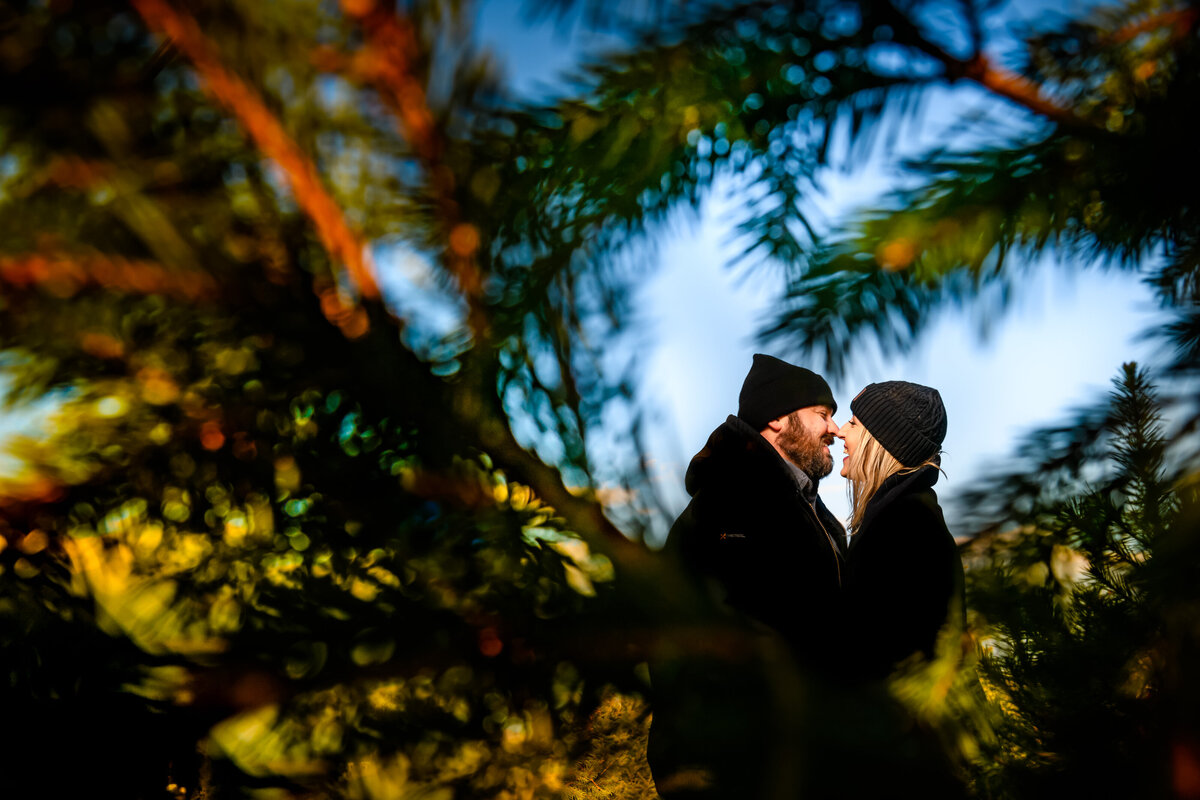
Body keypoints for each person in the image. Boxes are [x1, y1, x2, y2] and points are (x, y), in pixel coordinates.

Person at [647, 354, 845, 800]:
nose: (835, 428)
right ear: (777, 419)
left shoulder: (809, 512)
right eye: (822, 415)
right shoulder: (728, 509)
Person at [836, 380, 965, 681]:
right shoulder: (904, 514)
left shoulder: (904, 527)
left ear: (881, 441)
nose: (840, 430)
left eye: (854, 423)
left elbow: (877, 652)